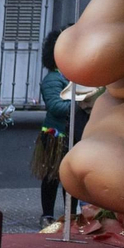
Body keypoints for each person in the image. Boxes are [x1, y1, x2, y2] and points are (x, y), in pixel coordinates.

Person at [35, 29, 92, 233]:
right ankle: (47, 215)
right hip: (56, 135)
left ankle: (71, 215)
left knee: (71, 178)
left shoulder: (69, 76)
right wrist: (82, 103)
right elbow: (55, 106)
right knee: (52, 177)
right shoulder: (53, 78)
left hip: (71, 134)